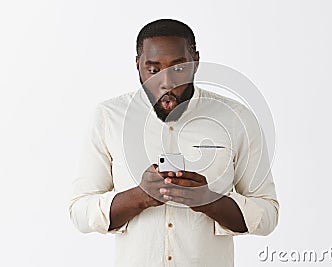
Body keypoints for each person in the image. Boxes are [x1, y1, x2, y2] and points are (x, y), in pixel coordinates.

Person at [69, 18, 279, 267]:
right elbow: (79, 211)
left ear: (195, 62)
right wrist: (139, 197)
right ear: (138, 66)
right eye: (153, 69)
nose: (166, 82)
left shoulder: (237, 119)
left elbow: (268, 215)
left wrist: (209, 200)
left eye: (178, 68)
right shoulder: (108, 118)